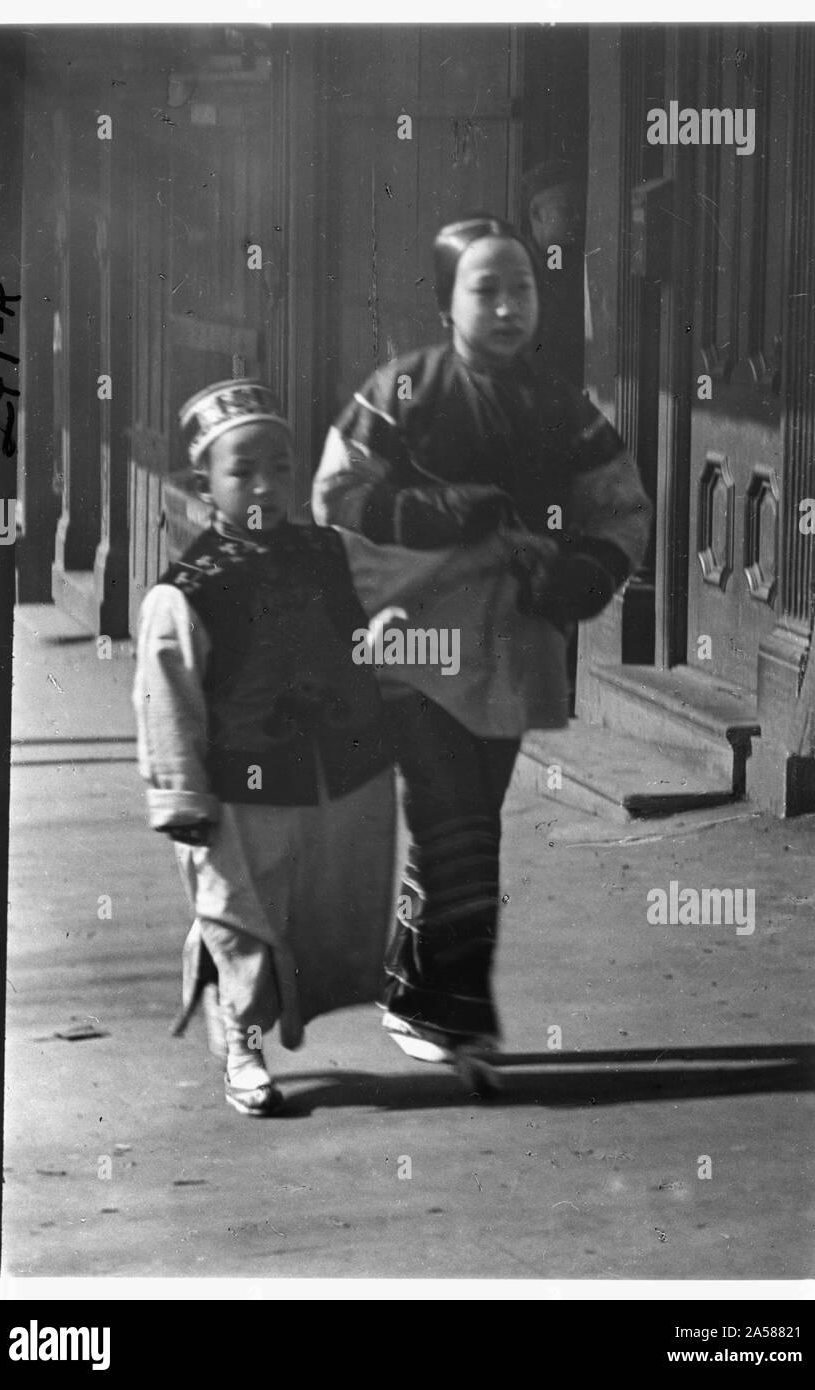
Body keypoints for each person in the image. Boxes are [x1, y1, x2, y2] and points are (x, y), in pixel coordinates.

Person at [311, 214, 652, 1065]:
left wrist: (580, 572)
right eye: (485, 290)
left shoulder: (561, 406)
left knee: (463, 817)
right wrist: (434, 513)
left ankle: (411, 977)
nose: (506, 309)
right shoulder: (399, 389)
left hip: (510, 651)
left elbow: (620, 507)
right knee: (455, 819)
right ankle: (441, 1010)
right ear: (445, 301)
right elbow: (335, 492)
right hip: (414, 644)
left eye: (521, 290)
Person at [133, 379, 396, 1115]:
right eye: (241, 470)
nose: (263, 485)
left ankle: (222, 981)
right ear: (204, 485)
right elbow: (166, 701)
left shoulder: (328, 552)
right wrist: (182, 797)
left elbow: (383, 612)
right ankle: (242, 1040)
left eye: (280, 467)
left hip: (326, 776)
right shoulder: (186, 592)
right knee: (240, 909)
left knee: (299, 909)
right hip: (232, 787)